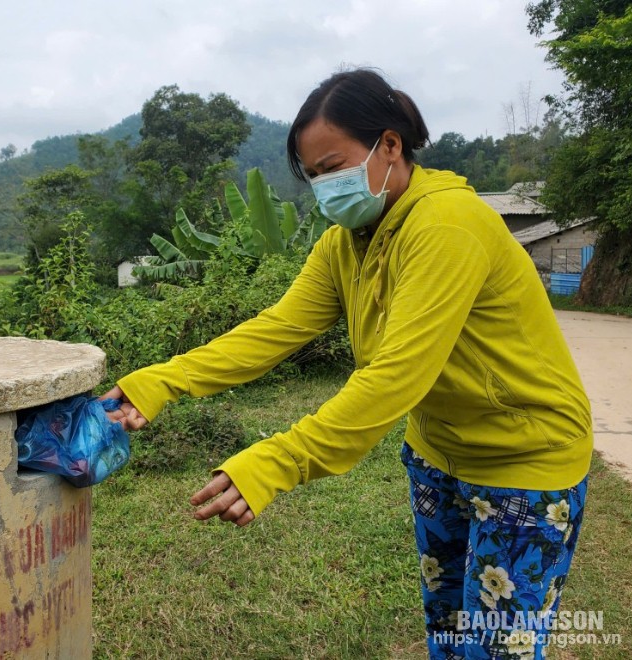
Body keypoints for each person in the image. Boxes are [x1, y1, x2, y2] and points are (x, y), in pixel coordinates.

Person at [101, 68, 592, 659]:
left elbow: (395, 376)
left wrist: (276, 461)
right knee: (449, 635)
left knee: (494, 651)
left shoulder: (447, 226)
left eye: (334, 166)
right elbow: (277, 330)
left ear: (389, 145)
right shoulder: (346, 240)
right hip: (438, 459)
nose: (325, 186)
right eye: (313, 176)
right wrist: (158, 382)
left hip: (527, 464)